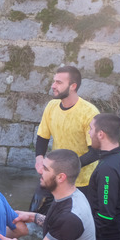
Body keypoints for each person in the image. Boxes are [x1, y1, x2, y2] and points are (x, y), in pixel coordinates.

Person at [32, 65, 100, 213]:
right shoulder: (51, 106)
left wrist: (66, 168)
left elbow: (95, 152)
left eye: (58, 82)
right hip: (53, 174)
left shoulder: (89, 112)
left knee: (74, 223)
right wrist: (39, 159)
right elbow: (43, 137)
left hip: (82, 180)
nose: (53, 86)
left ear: (73, 86)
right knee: (34, 214)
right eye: (54, 81)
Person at [87, 114, 120, 240]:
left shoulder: (108, 168)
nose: (89, 133)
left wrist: (81, 236)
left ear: (100, 134)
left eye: (91, 129)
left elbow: (105, 214)